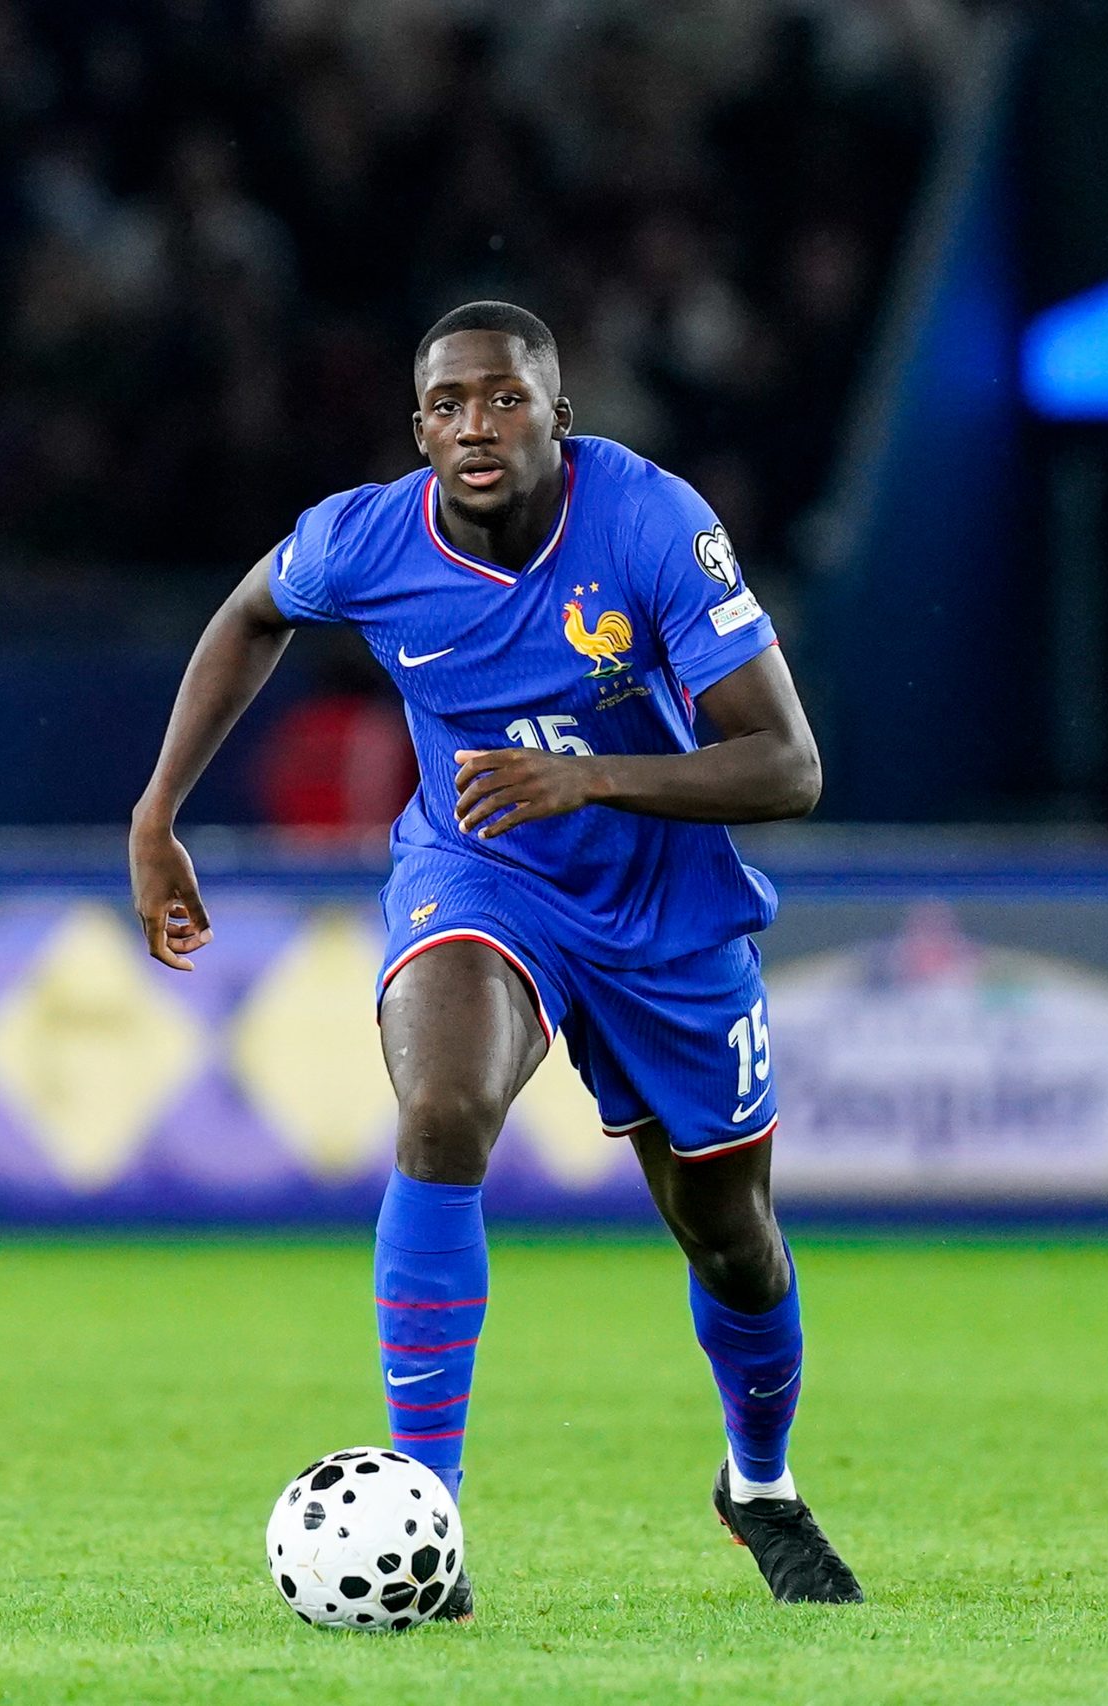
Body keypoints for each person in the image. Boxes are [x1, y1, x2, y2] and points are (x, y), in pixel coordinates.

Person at [128, 301, 860, 1614]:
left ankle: (761, 1486)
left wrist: (593, 778)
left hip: (665, 904)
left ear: (558, 418)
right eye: (451, 404)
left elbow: (789, 764)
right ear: (419, 428)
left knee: (731, 1238)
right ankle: (432, 1510)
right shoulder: (365, 537)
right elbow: (250, 614)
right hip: (484, 869)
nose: (477, 424)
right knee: (443, 1105)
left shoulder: (650, 527)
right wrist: (157, 810)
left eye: (506, 399)